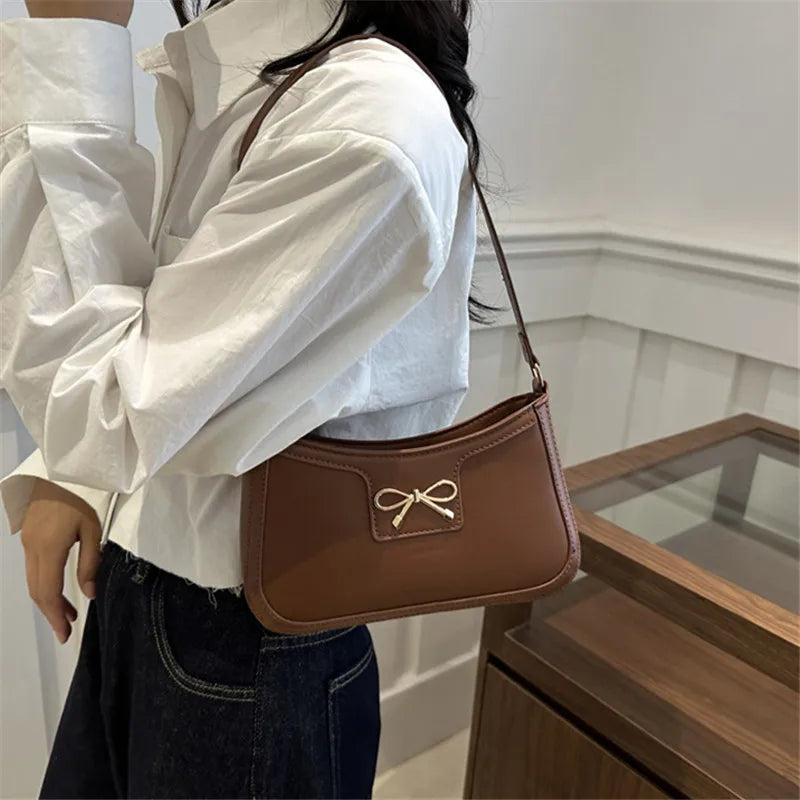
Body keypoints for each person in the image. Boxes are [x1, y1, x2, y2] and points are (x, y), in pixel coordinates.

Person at [0, 0, 501, 796]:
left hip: (250, 647)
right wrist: (81, 477)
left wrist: (71, 41)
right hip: (153, 596)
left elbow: (110, 403)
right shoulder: (260, 81)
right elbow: (177, 352)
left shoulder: (364, 118)